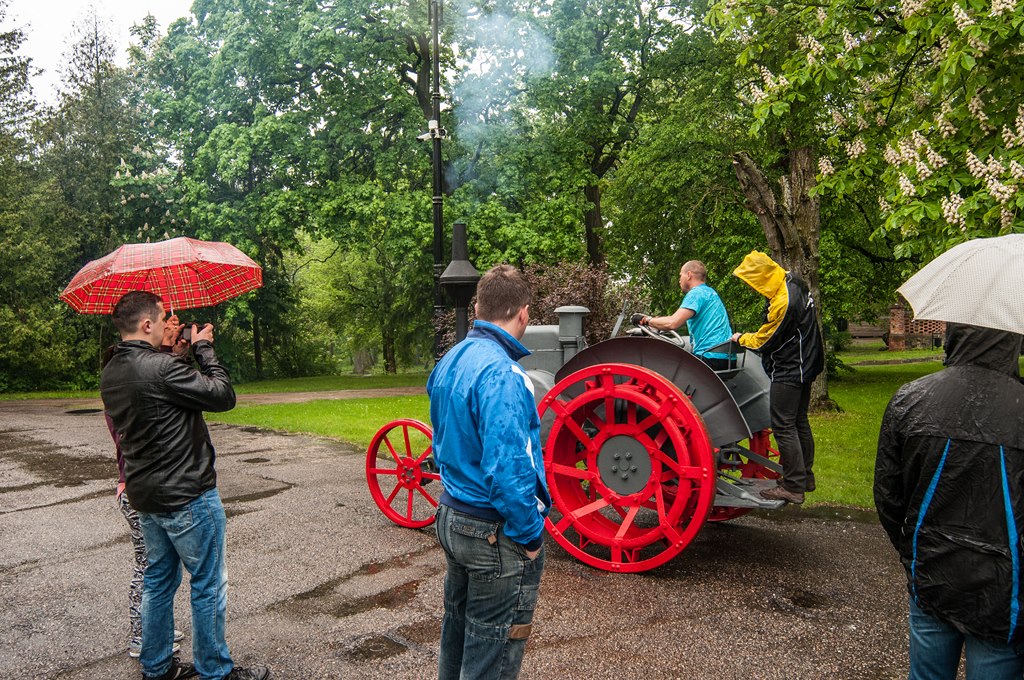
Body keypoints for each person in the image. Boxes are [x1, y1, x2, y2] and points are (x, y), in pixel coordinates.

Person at [100, 291, 269, 680]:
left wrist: (177, 355)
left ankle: (157, 667)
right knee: (208, 584)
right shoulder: (160, 369)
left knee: (158, 581)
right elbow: (222, 395)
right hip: (188, 494)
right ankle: (215, 671)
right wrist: (204, 348)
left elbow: (162, 396)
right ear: (147, 324)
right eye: (162, 318)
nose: (167, 324)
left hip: (145, 495)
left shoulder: (112, 372)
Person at [875, 323, 1024, 679]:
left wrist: (913, 553)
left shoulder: (910, 399)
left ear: (954, 334)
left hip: (933, 573)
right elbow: (889, 495)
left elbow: (889, 496)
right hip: (1004, 590)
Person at [427, 264, 551, 680]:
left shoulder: (450, 359)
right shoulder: (504, 373)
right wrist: (531, 537)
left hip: (452, 515)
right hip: (491, 530)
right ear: (523, 314)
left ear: (478, 307)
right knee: (490, 657)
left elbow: (442, 440)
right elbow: (508, 470)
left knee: (457, 636)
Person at [729, 250, 824, 505]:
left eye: (752, 282)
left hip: (791, 367)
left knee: (783, 425)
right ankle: (804, 478)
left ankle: (793, 486)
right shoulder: (793, 281)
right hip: (807, 362)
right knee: (799, 421)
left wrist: (741, 338)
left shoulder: (784, 302)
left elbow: (766, 340)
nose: (752, 288)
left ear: (762, 277)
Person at [632, 260, 734, 370]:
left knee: (660, 363)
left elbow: (672, 323)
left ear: (689, 275)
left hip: (710, 358)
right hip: (728, 360)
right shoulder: (710, 293)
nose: (679, 280)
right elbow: (677, 320)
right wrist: (655, 326)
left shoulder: (696, 294)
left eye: (680, 275)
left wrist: (645, 320)